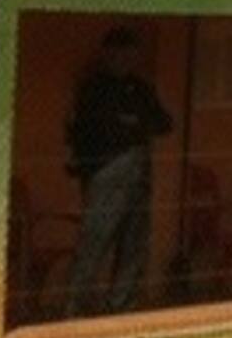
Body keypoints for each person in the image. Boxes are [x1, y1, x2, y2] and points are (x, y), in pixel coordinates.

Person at [64, 27, 172, 316]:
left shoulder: (140, 87)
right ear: (107, 54)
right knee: (96, 238)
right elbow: (93, 127)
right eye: (119, 54)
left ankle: (122, 304)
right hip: (105, 172)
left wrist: (132, 123)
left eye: (130, 54)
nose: (125, 60)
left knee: (134, 241)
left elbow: (164, 123)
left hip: (138, 171)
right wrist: (131, 125)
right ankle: (74, 306)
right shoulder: (93, 87)